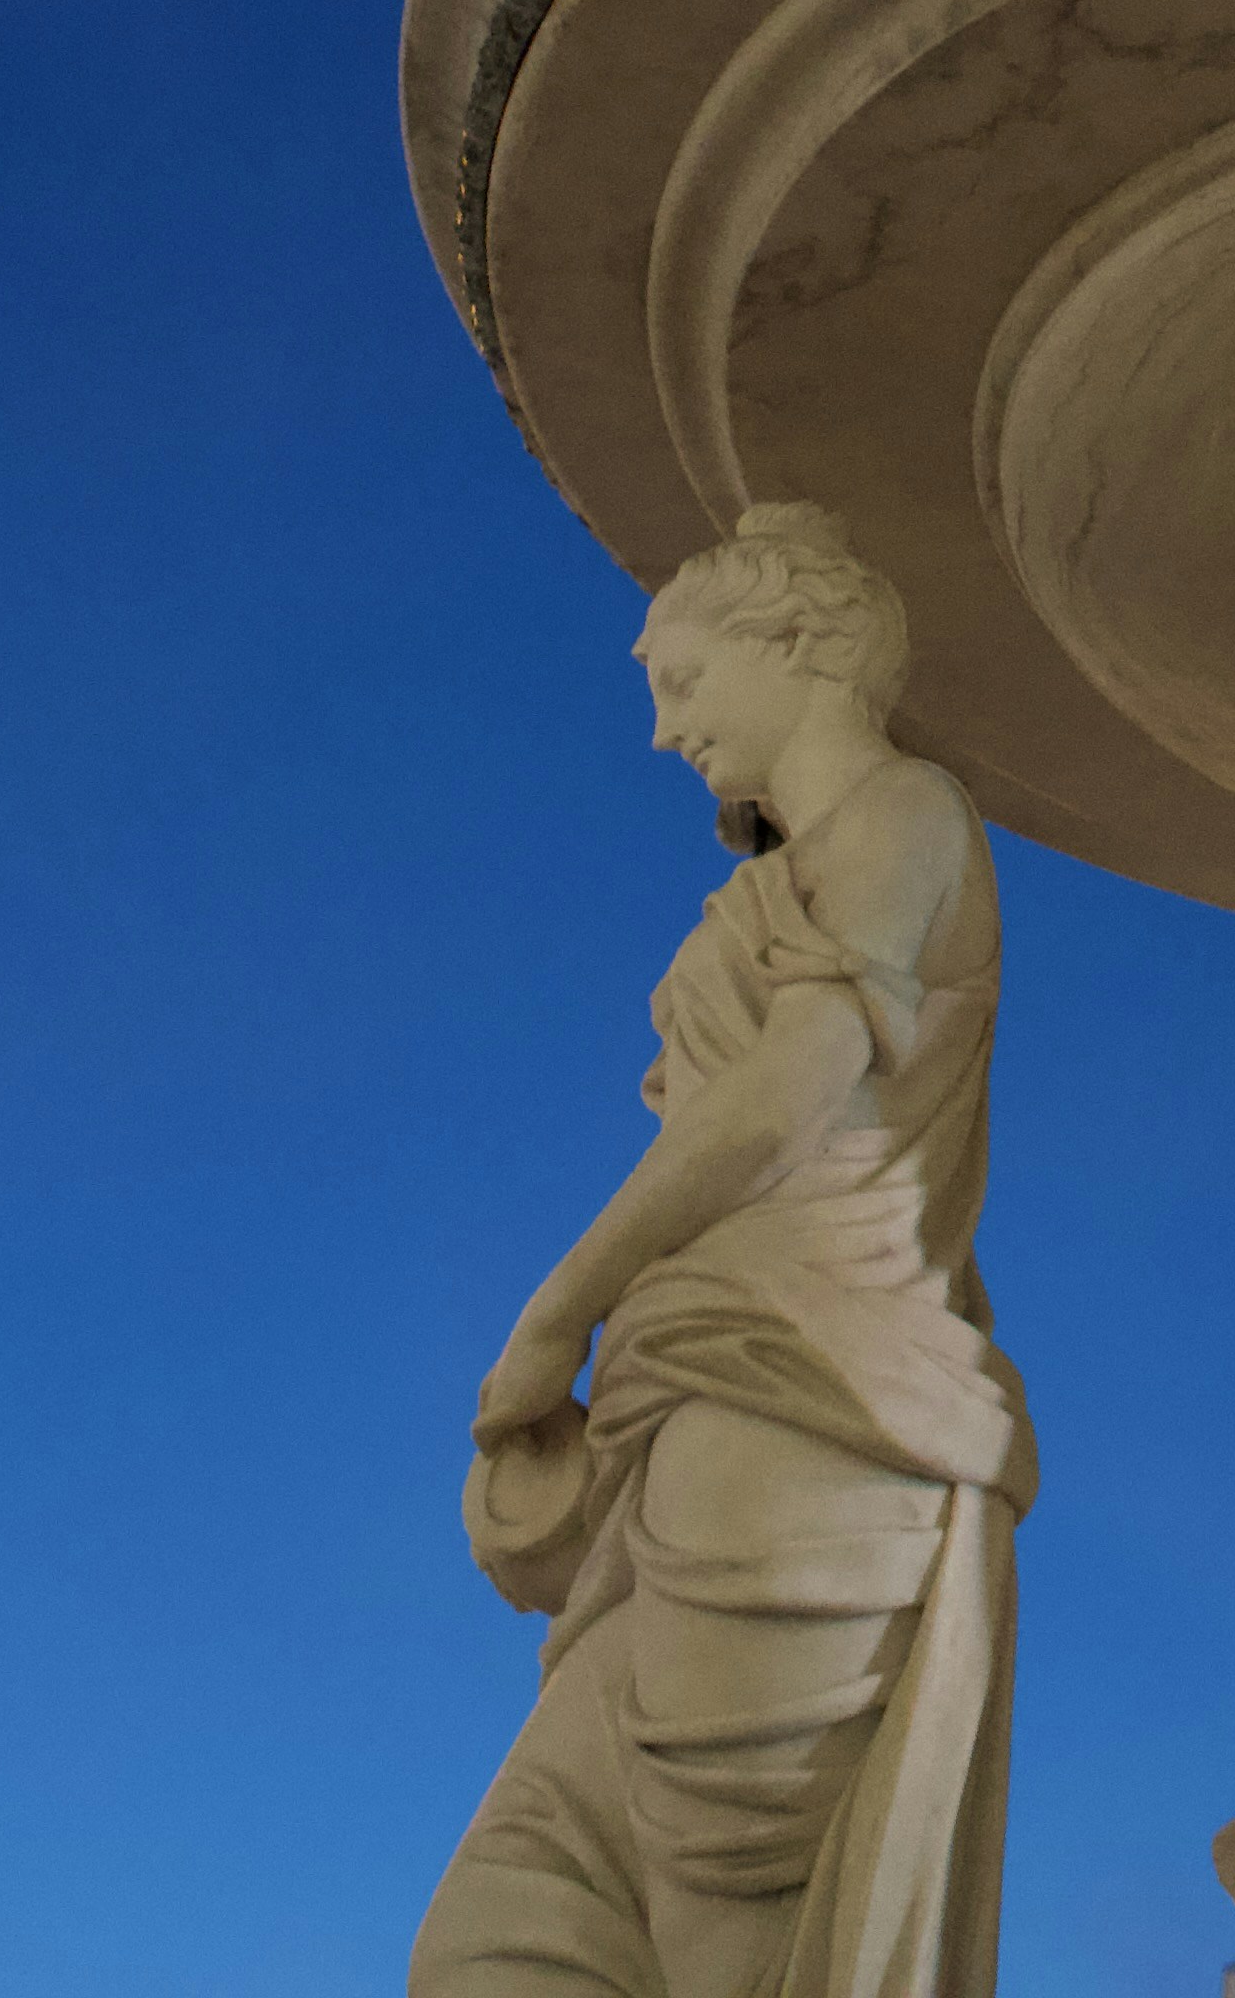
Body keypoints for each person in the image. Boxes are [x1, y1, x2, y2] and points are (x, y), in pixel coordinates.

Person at [416, 505, 1032, 1998]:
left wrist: (559, 1310)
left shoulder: (905, 815)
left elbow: (785, 1095)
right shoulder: (786, 877)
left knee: (732, 1952)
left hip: (809, 1417)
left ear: (803, 648)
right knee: (499, 1938)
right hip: (692, 1427)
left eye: (685, 683)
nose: (659, 731)